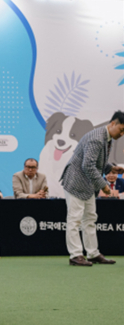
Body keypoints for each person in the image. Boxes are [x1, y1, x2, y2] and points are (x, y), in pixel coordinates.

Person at [61, 111, 124, 266]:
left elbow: (95, 160)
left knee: (90, 219)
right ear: (113, 124)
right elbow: (88, 165)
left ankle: (93, 253)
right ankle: (75, 255)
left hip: (87, 184)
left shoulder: (106, 136)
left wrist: (110, 168)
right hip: (76, 182)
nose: (122, 134)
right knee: (74, 220)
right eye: (121, 130)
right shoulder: (97, 138)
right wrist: (104, 186)